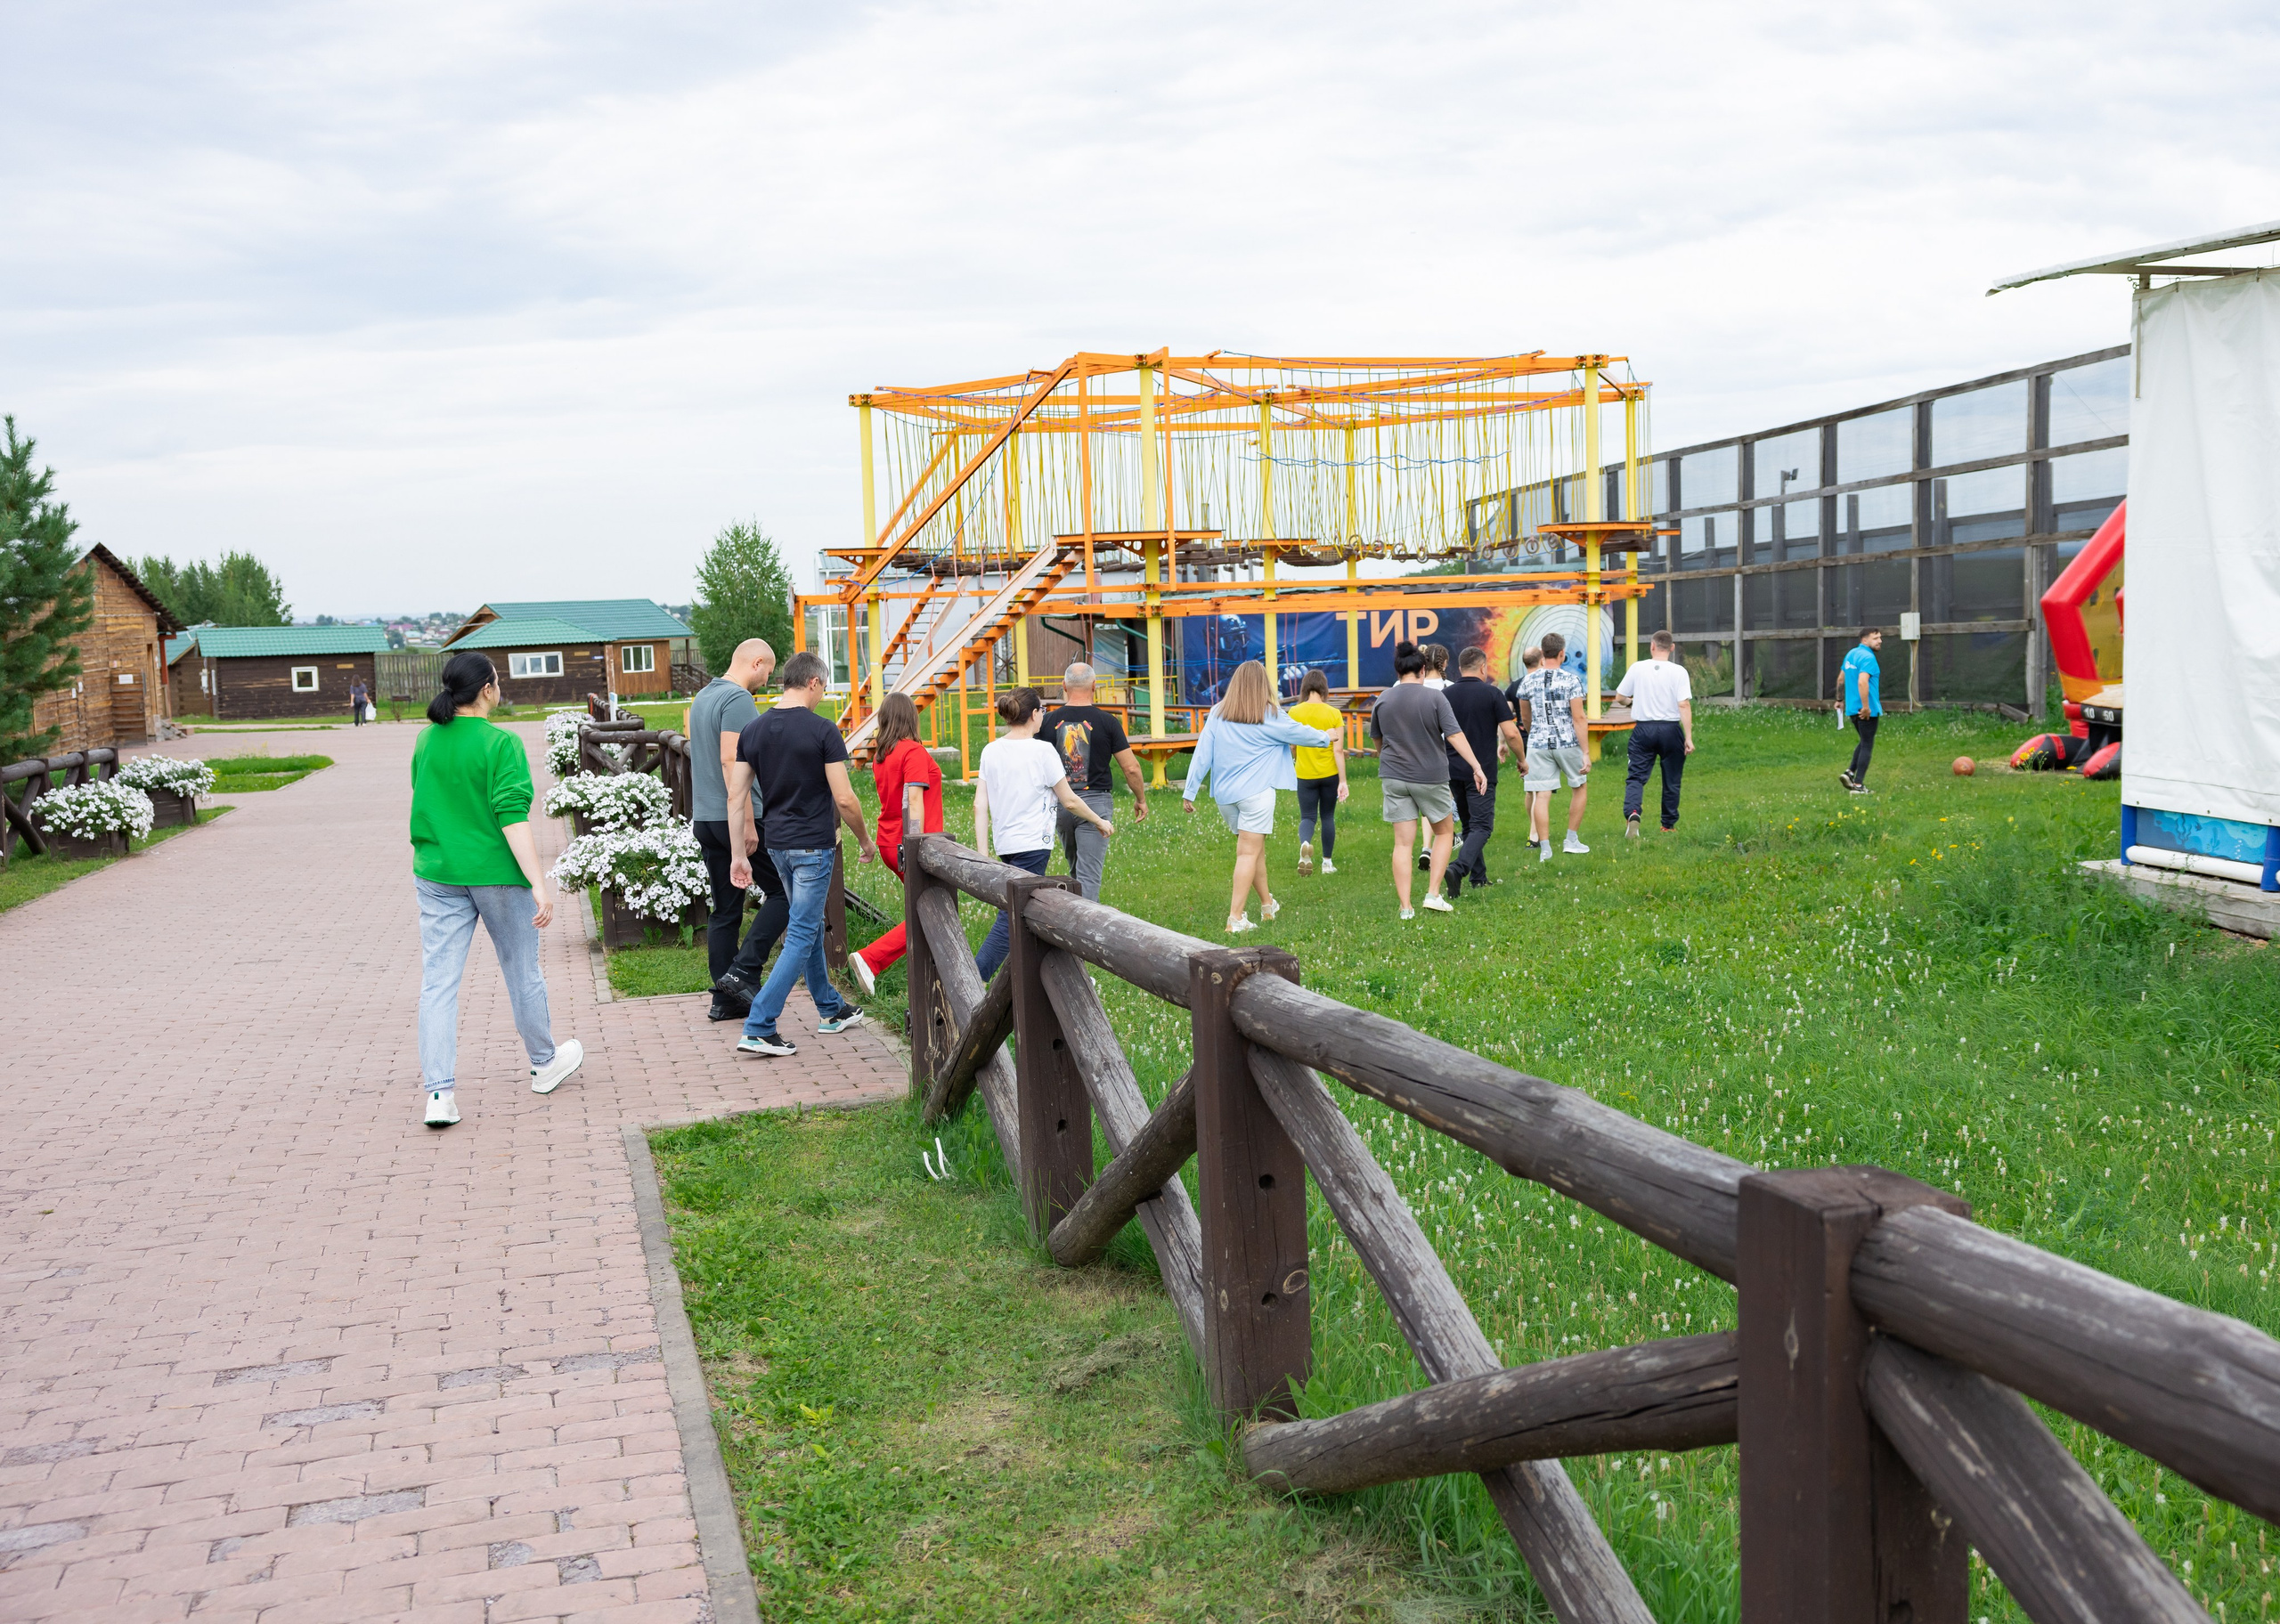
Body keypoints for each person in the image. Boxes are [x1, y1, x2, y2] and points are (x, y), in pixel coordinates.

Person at [409, 651, 582, 1128]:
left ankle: (439, 1094)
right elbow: (511, 816)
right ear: (487, 689)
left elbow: (423, 796)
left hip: (437, 872)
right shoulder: (501, 742)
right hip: (497, 875)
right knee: (521, 970)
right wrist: (538, 884)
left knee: (438, 982)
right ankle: (544, 1064)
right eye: (498, 680)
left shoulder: (426, 740)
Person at [726, 650, 875, 1058]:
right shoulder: (824, 731)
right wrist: (865, 840)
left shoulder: (753, 731)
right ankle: (759, 1025)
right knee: (803, 932)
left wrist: (739, 854)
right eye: (824, 688)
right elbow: (844, 798)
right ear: (812, 682)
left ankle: (830, 1010)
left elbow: (736, 798)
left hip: (777, 847)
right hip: (812, 846)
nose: (822, 695)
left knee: (804, 926)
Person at [1182, 660, 1338, 934]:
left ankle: (1267, 905)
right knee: (1248, 853)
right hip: (1256, 794)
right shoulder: (1271, 714)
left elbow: (1202, 753)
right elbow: (1301, 734)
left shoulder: (1218, 712)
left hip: (1226, 797)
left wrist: (1190, 791)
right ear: (1264, 684)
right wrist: (1327, 736)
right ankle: (1236, 918)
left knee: (1255, 853)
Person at [975, 686, 1114, 978]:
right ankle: (974, 976)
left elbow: (979, 805)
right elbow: (1070, 800)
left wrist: (983, 855)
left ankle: (1032, 976)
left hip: (1005, 843)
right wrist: (1099, 821)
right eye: (1042, 711)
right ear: (1034, 714)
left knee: (1024, 909)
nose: (1044, 716)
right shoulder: (1042, 751)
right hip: (1033, 844)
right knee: (1012, 917)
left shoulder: (991, 750)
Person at [688, 639, 792, 1022]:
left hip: (706, 817)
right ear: (757, 662)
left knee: (725, 910)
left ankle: (725, 998)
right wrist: (747, 822)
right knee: (785, 893)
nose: (768, 679)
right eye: (769, 670)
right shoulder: (738, 700)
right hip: (737, 817)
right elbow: (733, 762)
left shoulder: (703, 698)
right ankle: (743, 971)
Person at [1370, 641, 1488, 919]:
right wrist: (1476, 766)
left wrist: (1385, 757)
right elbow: (1455, 735)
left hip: (1394, 777)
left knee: (1402, 844)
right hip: (1430, 776)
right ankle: (1433, 894)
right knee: (1445, 832)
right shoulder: (1435, 699)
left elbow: (1377, 738)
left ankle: (1405, 908)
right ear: (1422, 670)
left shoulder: (1384, 699)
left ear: (1399, 671)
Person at [847, 693, 944, 996]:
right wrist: (916, 845)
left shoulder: (883, 755)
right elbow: (914, 799)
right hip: (911, 844)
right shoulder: (912, 751)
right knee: (931, 912)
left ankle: (932, 976)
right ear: (911, 718)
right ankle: (870, 960)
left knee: (925, 907)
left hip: (889, 840)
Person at [1039, 662, 1149, 901]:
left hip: (1060, 803)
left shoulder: (1047, 722)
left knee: (1075, 869)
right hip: (1095, 804)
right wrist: (1140, 799)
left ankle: (1072, 920)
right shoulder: (1107, 721)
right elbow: (1131, 767)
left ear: (1064, 686)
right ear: (1094, 686)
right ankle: (1085, 931)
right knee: (1088, 875)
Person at [1443, 646, 1524, 894]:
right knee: (1482, 826)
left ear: (1459, 668)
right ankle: (1458, 868)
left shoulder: (1446, 695)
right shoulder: (1492, 693)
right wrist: (1522, 759)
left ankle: (1478, 877)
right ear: (1483, 668)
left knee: (1469, 825)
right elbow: (1511, 732)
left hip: (1453, 770)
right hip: (1482, 773)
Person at [1517, 630, 1590, 861]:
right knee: (1579, 787)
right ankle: (1571, 840)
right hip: (1567, 741)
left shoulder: (1527, 680)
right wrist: (1586, 752)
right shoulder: (1571, 680)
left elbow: (1524, 717)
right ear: (1562, 654)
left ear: (1542, 654)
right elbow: (1579, 718)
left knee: (1542, 793)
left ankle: (1545, 848)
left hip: (1538, 743)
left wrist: (1533, 733)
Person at [1616, 629, 1696, 836]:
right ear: (1672, 648)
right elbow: (1684, 705)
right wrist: (1688, 737)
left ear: (1652, 646)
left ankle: (1633, 813)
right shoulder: (1679, 671)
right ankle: (1667, 825)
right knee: (1672, 779)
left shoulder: (1638, 668)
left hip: (1643, 729)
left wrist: (1630, 702)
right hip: (1671, 729)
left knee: (1636, 777)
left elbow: (1620, 697)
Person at [1287, 669, 1348, 875]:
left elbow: (1292, 746)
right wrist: (1343, 781)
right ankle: (1327, 863)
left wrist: (1295, 760)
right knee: (1327, 816)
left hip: (1304, 774)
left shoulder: (1295, 712)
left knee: (1308, 817)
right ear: (1324, 689)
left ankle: (1305, 844)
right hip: (1329, 774)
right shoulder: (1334, 714)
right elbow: (1338, 750)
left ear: (1305, 688)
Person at [1840, 628, 1885, 793]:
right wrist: (1866, 707)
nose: (1880, 641)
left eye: (1880, 638)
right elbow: (1862, 682)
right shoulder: (1868, 658)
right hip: (1865, 709)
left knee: (1864, 740)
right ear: (1864, 640)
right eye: (1875, 638)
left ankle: (1850, 773)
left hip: (1852, 708)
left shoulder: (1851, 654)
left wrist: (1839, 700)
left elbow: (1840, 678)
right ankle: (1858, 786)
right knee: (1867, 744)